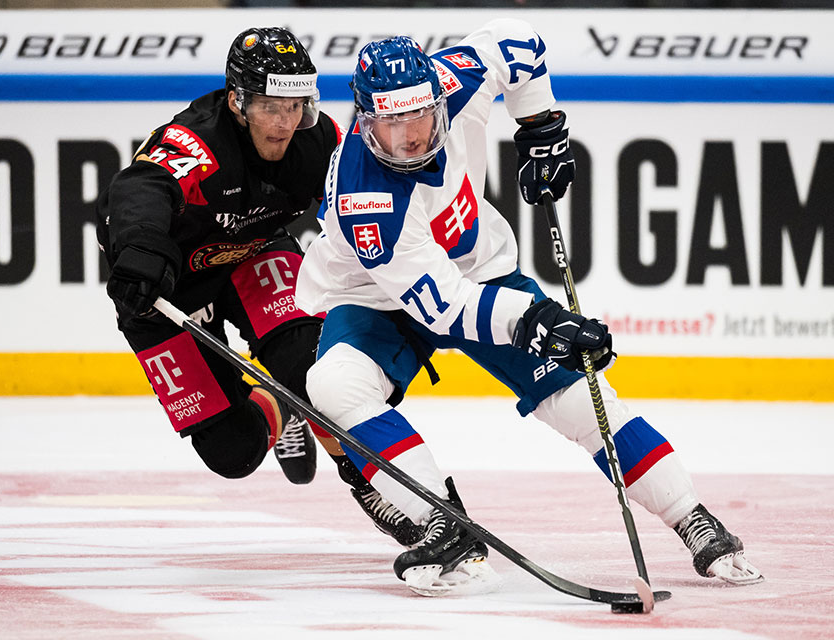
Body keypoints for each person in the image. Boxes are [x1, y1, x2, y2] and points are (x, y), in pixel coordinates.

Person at [295, 21, 763, 595]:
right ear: (365, 124)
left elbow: (516, 41)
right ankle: (438, 518)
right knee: (335, 386)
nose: (412, 135)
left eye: (421, 116)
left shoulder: (457, 78)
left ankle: (694, 518)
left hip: (481, 270)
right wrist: (536, 321)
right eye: (392, 122)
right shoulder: (367, 201)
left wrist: (540, 123)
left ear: (439, 98)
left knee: (577, 398)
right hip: (378, 298)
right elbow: (444, 308)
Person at [96, 27, 425, 546]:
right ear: (237, 100)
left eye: (295, 105)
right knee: (234, 453)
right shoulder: (197, 143)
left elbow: (364, 200)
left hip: (253, 255)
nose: (285, 122)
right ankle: (276, 405)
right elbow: (139, 188)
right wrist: (138, 252)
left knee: (319, 378)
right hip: (166, 289)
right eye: (271, 106)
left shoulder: (318, 143)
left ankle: (367, 479)